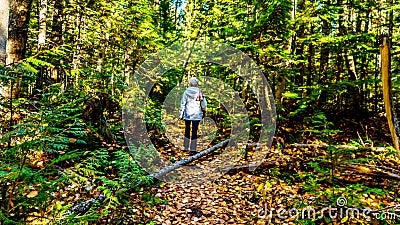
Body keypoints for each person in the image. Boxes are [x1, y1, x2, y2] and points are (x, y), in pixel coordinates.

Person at [179, 77, 207, 155]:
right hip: (196, 114)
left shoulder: (186, 92)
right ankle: (193, 149)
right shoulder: (199, 92)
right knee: (194, 131)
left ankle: (185, 147)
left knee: (187, 129)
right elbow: (203, 103)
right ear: (197, 83)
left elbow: (183, 103)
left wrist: (181, 114)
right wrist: (204, 110)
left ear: (190, 83)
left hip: (187, 114)